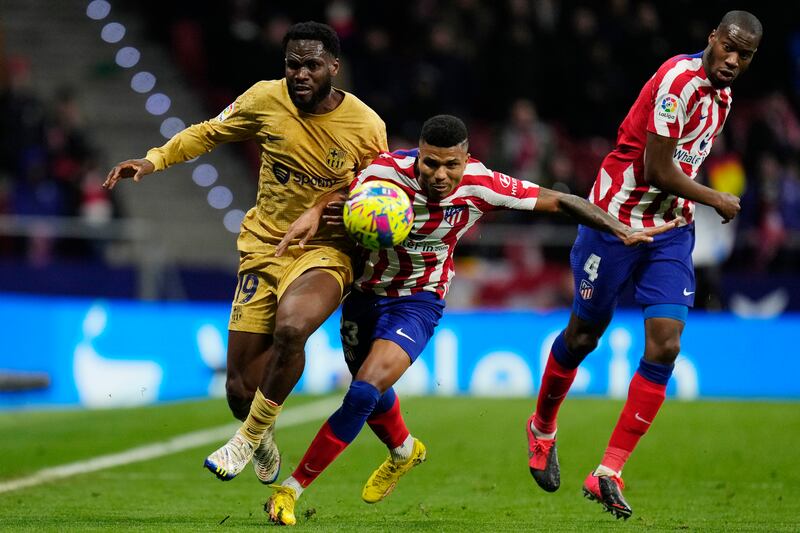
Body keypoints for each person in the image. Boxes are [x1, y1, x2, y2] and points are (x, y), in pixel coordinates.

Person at [263, 114, 675, 525]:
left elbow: (562, 200)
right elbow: (340, 193)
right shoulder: (383, 172)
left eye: (451, 165)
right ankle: (404, 450)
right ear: (418, 157)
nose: (440, 175)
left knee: (363, 390)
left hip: (419, 301)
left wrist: (620, 229)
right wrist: (319, 212)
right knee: (366, 390)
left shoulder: (483, 184)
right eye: (430, 164)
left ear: (466, 159)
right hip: (365, 294)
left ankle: (290, 490)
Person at [103, 21, 387, 485]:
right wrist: (154, 159)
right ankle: (262, 430)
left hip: (326, 251)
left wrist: (323, 208)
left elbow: (377, 191)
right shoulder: (263, 99)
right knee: (238, 388)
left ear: (333, 66)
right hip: (264, 247)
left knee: (292, 328)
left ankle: (245, 438)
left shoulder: (365, 125)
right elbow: (208, 132)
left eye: (312, 65)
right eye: (292, 64)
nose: (300, 74)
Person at [525, 11, 762, 520]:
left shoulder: (722, 97)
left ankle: (608, 470)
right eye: (729, 48)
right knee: (585, 335)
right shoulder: (679, 80)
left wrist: (694, 204)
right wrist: (713, 198)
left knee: (667, 343)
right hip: (613, 221)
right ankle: (543, 426)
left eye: (745, 55)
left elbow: (684, 163)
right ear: (712, 38)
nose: (733, 60)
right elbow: (657, 168)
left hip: (669, 233)